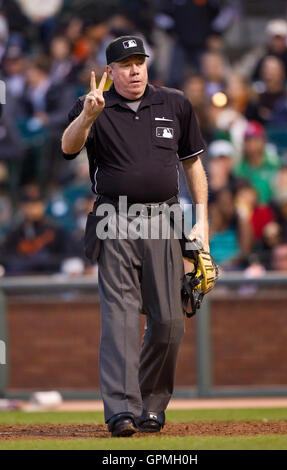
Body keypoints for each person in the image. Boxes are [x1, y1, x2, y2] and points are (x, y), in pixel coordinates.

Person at [61, 35, 208, 437]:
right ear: (109, 72)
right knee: (121, 320)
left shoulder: (174, 102)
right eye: (125, 64)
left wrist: (203, 221)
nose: (135, 69)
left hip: (165, 218)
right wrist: (88, 116)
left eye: (140, 61)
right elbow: (67, 146)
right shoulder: (92, 105)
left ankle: (151, 404)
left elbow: (193, 165)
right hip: (115, 218)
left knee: (169, 323)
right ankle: (121, 412)